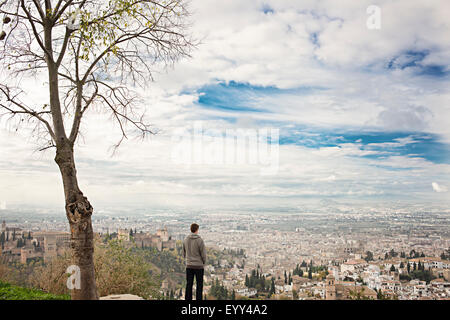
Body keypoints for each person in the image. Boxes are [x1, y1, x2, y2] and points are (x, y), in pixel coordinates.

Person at [183, 223, 207, 300]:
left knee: (189, 284)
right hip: (199, 266)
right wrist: (203, 262)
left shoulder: (185, 239)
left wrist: (187, 260)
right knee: (199, 285)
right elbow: (203, 254)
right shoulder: (200, 240)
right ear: (197, 230)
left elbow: (184, 253)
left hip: (189, 265)